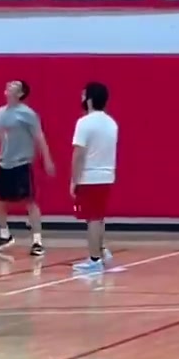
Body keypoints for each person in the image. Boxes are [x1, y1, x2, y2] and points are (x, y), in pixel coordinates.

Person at [0, 80, 54, 255]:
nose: (9, 86)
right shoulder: (0, 112)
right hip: (3, 163)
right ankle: (5, 235)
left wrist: (47, 159)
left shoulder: (28, 114)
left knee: (30, 202)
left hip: (22, 163)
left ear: (20, 94)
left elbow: (39, 137)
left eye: (15, 86)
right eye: (9, 84)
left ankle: (37, 242)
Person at [70, 82, 118, 274]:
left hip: (90, 177)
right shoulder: (111, 123)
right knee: (98, 217)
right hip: (107, 175)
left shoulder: (84, 123)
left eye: (83, 95)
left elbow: (78, 154)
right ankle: (102, 251)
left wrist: (74, 180)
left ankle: (94, 259)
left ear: (89, 99)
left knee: (92, 219)